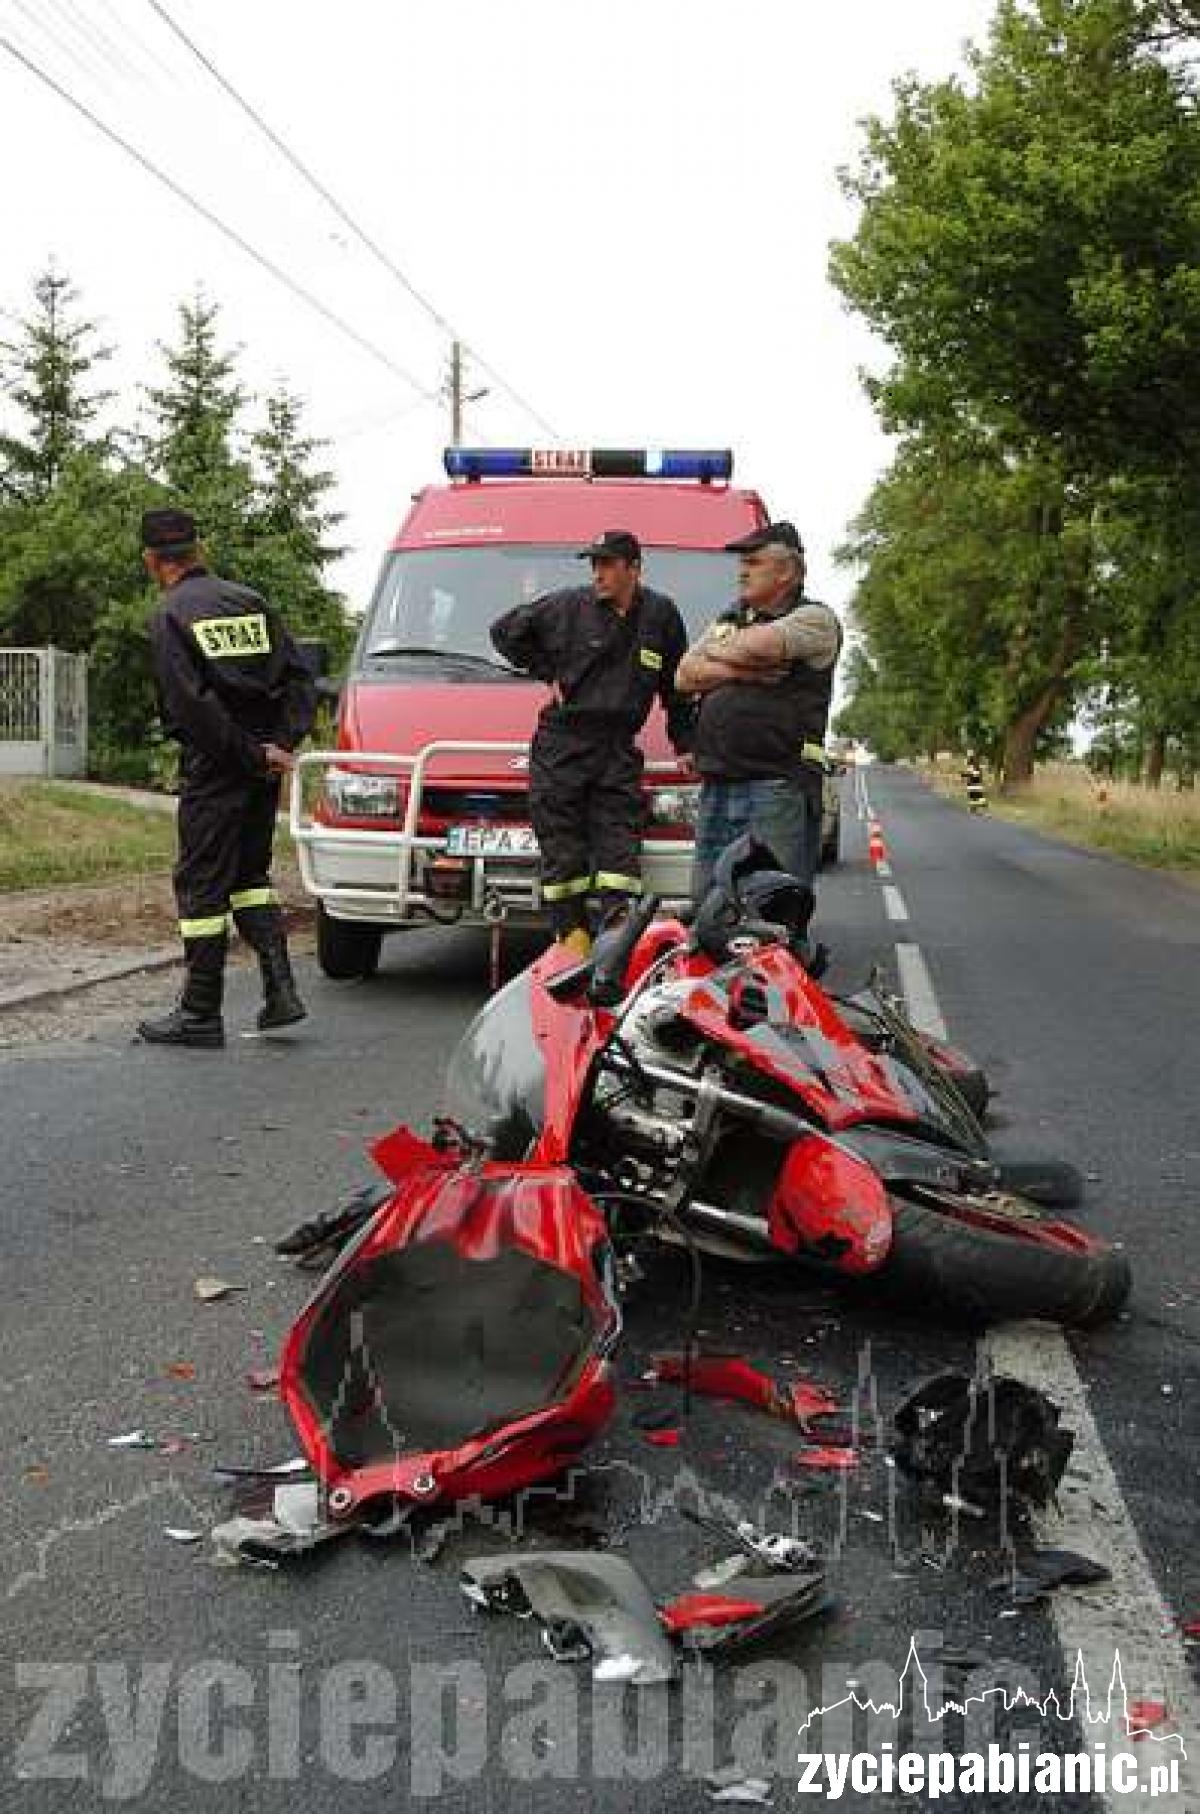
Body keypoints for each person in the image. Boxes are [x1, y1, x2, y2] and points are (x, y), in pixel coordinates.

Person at [137, 508, 316, 1049]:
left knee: (201, 888)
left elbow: (193, 709)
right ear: (199, 549)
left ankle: (199, 1014)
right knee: (249, 879)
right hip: (260, 771)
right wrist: (279, 747)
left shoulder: (171, 614)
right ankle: (281, 993)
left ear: (152, 560)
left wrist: (244, 754)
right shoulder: (250, 602)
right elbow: (299, 677)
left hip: (217, 770)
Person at [490, 529, 692, 956]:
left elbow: (677, 688)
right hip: (563, 744)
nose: (597, 573)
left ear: (634, 568)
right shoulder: (567, 606)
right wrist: (549, 672)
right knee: (563, 852)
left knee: (620, 853)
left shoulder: (661, 616)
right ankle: (572, 941)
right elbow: (504, 631)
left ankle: (618, 945)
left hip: (618, 748)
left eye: (606, 564)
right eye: (593, 564)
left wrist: (685, 743)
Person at [676, 521, 841, 901]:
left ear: (786, 572)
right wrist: (740, 668)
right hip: (718, 783)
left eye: (753, 561)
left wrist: (720, 655)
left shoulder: (815, 620)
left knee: (770, 908)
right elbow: (684, 674)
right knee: (708, 907)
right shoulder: (732, 618)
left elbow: (764, 646)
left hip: (777, 785)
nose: (742, 571)